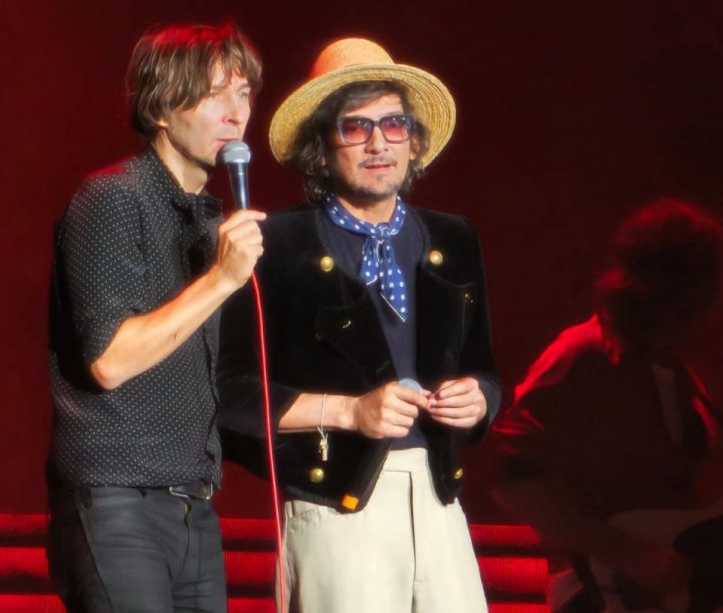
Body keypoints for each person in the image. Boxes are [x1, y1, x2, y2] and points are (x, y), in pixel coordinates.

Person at [217, 38, 500, 613]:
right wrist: (349, 411)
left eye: (394, 124)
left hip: (440, 496)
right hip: (334, 505)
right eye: (355, 127)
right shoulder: (277, 245)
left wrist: (480, 400)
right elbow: (228, 394)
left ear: (415, 141)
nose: (378, 143)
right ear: (322, 147)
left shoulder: (453, 236)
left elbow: (486, 369)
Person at [46, 23, 264, 613]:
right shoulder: (112, 198)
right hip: (119, 499)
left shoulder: (202, 219)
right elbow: (111, 360)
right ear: (164, 104)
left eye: (243, 94)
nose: (235, 112)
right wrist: (219, 280)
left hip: (192, 504)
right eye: (216, 92)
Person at [491, 199, 723, 612]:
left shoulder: (679, 368)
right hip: (599, 596)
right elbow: (512, 480)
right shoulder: (579, 358)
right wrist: (628, 552)